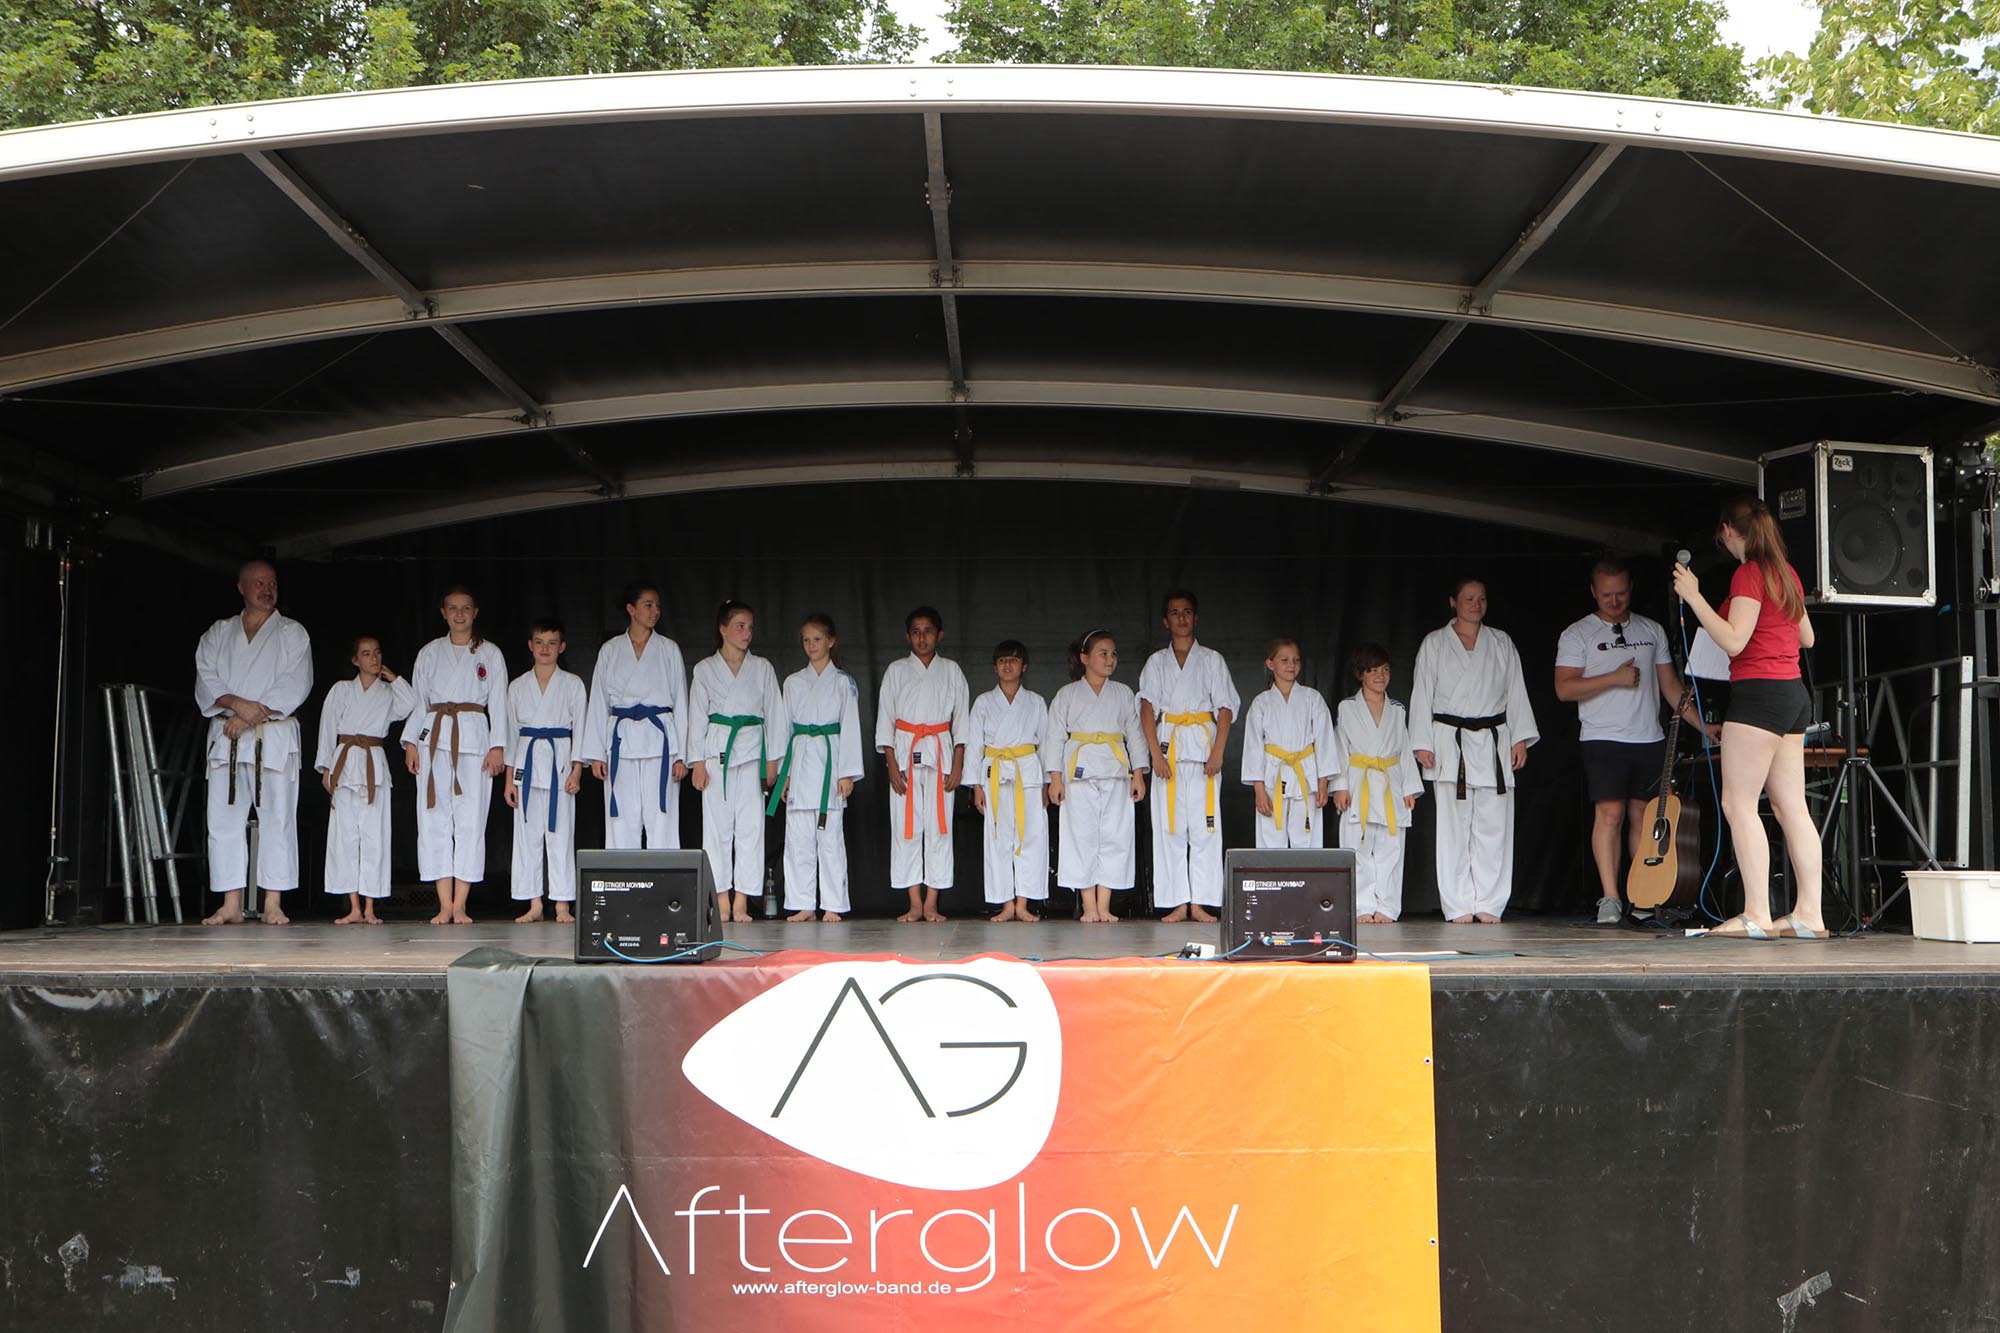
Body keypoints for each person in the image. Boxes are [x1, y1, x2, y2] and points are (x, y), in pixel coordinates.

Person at [1672, 495, 1823, 939]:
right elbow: (1808, 638)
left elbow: (1735, 640)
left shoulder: (1749, 573)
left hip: (1759, 695)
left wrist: (1694, 597)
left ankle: (1757, 912)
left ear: (1727, 531)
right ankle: (1809, 914)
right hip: (1793, 694)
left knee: (1738, 804)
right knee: (1791, 806)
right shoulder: (1786, 573)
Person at [1555, 558, 1716, 924]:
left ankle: (1642, 895)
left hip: (1649, 737)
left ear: (1631, 589)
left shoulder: (1651, 629)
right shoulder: (1577, 633)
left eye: (1621, 593)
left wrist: (1704, 727)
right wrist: (1613, 678)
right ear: (1593, 592)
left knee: (1645, 818)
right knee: (1609, 815)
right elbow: (1564, 688)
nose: (1615, 601)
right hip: (1602, 737)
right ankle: (1610, 897)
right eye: (1607, 595)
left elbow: (1670, 687)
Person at [1409, 578, 1539, 923]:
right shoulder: (1435, 643)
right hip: (1450, 741)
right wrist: (1421, 743)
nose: (1476, 604)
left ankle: (1490, 902)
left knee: (1494, 827)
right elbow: (1422, 692)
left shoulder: (1501, 642)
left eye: (1481, 598)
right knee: (1453, 828)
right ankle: (1458, 904)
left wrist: (1520, 738)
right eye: (1468, 598)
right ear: (1453, 602)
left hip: (1493, 739)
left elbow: (1516, 690)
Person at [195, 560, 313, 926]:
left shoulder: (292, 633)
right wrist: (235, 704)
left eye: (272, 583)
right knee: (223, 820)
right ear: (241, 587)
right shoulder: (219, 632)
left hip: (271, 736)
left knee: (277, 819)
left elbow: (296, 682)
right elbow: (206, 677)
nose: (267, 589)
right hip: (227, 735)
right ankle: (231, 902)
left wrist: (248, 715)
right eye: (259, 583)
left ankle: (273, 901)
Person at [401, 585, 509, 926]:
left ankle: (461, 904)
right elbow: (418, 701)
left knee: (470, 820)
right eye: (453, 608)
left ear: (475, 612)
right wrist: (410, 743)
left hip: (474, 738)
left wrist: (497, 745)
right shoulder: (430, 652)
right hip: (434, 736)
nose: (459, 614)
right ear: (443, 613)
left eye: (465, 608)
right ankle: (444, 904)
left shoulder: (490, 653)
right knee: (433, 819)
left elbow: (500, 702)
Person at [1139, 590, 1239, 924]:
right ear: (1165, 621)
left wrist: (1218, 752)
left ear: (1195, 617)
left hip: (1203, 752)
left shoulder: (1211, 660)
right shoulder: (1157, 662)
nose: (1181, 618)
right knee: (1169, 828)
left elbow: (1225, 708)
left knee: (1205, 829)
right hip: (1168, 750)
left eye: (1186, 612)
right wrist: (1155, 755)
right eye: (1174, 612)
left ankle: (1201, 902)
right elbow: (1146, 709)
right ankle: (1177, 902)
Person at [689, 600, 785, 925]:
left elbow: (775, 713)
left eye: (750, 627)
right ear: (723, 629)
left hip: (753, 752)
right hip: (716, 753)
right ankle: (720, 900)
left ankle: (742, 900)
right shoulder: (705, 669)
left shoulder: (762, 668)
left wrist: (773, 762)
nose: (747, 633)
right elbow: (696, 717)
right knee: (716, 830)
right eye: (740, 626)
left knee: (751, 828)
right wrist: (696, 762)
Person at [1044, 630, 1149, 924]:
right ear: (1084, 658)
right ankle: (1089, 905)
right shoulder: (1067, 695)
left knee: (1115, 837)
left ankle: (1105, 905)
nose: (1110, 659)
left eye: (1113, 654)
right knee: (1082, 837)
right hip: (1079, 774)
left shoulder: (1123, 693)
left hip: (1116, 773)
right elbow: (1054, 738)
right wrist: (1055, 778)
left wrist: (1139, 774)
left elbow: (1135, 736)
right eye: (1103, 653)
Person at [876, 606, 970, 924]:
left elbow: (962, 721)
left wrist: (958, 764)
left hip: (941, 752)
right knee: (906, 828)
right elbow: (885, 719)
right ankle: (914, 902)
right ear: (908, 636)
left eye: (928, 631)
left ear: (939, 635)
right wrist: (890, 763)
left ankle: (932, 902)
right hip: (905, 752)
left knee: (939, 828)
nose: (922, 638)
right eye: (916, 632)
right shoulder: (896, 671)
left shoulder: (952, 671)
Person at [771, 613, 865, 923]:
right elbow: (783, 728)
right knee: (798, 841)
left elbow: (850, 727)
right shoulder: (793, 682)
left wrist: (847, 773)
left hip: (830, 764)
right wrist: (783, 775)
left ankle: (833, 904)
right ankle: (803, 903)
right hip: (799, 762)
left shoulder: (843, 682)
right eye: (806, 640)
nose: (811, 645)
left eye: (817, 639)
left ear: (831, 641)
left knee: (830, 841)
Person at [314, 636, 414, 925]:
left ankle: (370, 907)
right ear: (355, 660)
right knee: (345, 837)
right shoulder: (342, 690)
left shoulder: (388, 693)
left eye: (378, 653)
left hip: (374, 765)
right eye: (366, 654)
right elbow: (327, 727)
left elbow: (410, 704)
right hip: (345, 764)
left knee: (374, 837)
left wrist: (394, 678)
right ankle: (353, 907)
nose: (374, 658)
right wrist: (325, 767)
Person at [581, 582, 688, 850]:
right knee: (621, 821)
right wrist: (596, 754)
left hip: (660, 744)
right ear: (631, 609)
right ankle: (622, 876)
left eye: (657, 606)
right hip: (621, 743)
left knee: (662, 819)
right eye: (648, 605)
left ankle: (664, 876)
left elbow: (681, 702)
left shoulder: (668, 649)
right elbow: (599, 702)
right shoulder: (610, 650)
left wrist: (682, 756)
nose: (655, 611)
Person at [503, 618, 588, 925]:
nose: (545, 649)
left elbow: (582, 729)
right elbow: (510, 735)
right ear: (530, 646)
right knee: (527, 837)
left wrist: (577, 771)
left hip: (559, 763)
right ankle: (534, 902)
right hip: (526, 763)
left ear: (561, 647)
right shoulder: (517, 686)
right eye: (539, 642)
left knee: (560, 836)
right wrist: (509, 781)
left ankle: (562, 903)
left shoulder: (573, 684)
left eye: (552, 643)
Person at [1331, 644, 1424, 924]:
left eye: (1384, 670)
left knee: (1390, 849)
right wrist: (1340, 786)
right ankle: (1361, 906)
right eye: (1372, 670)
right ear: (1360, 674)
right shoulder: (1347, 707)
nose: (1380, 676)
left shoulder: (1397, 709)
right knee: (1357, 848)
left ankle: (1387, 906)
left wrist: (1410, 788)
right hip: (1358, 783)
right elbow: (1340, 748)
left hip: (1390, 782)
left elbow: (1405, 749)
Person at [967, 640, 1050, 922]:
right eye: (1002, 660)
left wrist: (1047, 782)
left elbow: (1047, 744)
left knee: (1030, 837)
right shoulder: (983, 702)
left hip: (1028, 773)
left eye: (1013, 660)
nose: (1007, 665)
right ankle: (1006, 903)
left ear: (1023, 666)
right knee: (998, 840)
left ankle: (1023, 902)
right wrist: (976, 785)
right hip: (995, 774)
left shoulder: (1036, 702)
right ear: (995, 667)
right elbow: (974, 745)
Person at [1239, 638, 1337, 848]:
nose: (1291, 665)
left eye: (1296, 660)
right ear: (1270, 664)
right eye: (1284, 660)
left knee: (1306, 840)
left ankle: (1308, 872)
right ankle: (1273, 872)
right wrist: (1258, 790)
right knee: (1271, 841)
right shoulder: (1261, 702)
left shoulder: (1313, 698)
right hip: (1272, 779)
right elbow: (1253, 747)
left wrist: (1323, 782)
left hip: (1306, 776)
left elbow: (1325, 740)